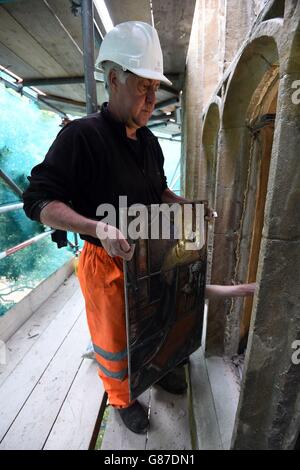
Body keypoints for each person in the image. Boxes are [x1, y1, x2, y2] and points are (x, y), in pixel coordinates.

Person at [23, 21, 255, 435]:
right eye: (144, 87)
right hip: (105, 260)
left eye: (155, 89)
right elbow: (38, 202)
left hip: (151, 254)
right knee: (114, 341)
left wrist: (187, 208)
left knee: (159, 322)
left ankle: (158, 368)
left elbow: (159, 190)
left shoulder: (148, 141)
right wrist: (98, 228)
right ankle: (121, 396)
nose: (152, 99)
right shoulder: (81, 137)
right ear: (114, 80)